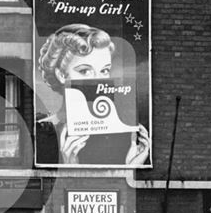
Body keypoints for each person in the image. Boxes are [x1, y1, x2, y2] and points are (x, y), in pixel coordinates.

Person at [36, 23, 150, 165]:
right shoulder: (43, 131)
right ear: (61, 75)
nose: (98, 80)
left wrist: (131, 167)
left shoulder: (125, 134)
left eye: (104, 71)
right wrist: (69, 167)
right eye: (85, 71)